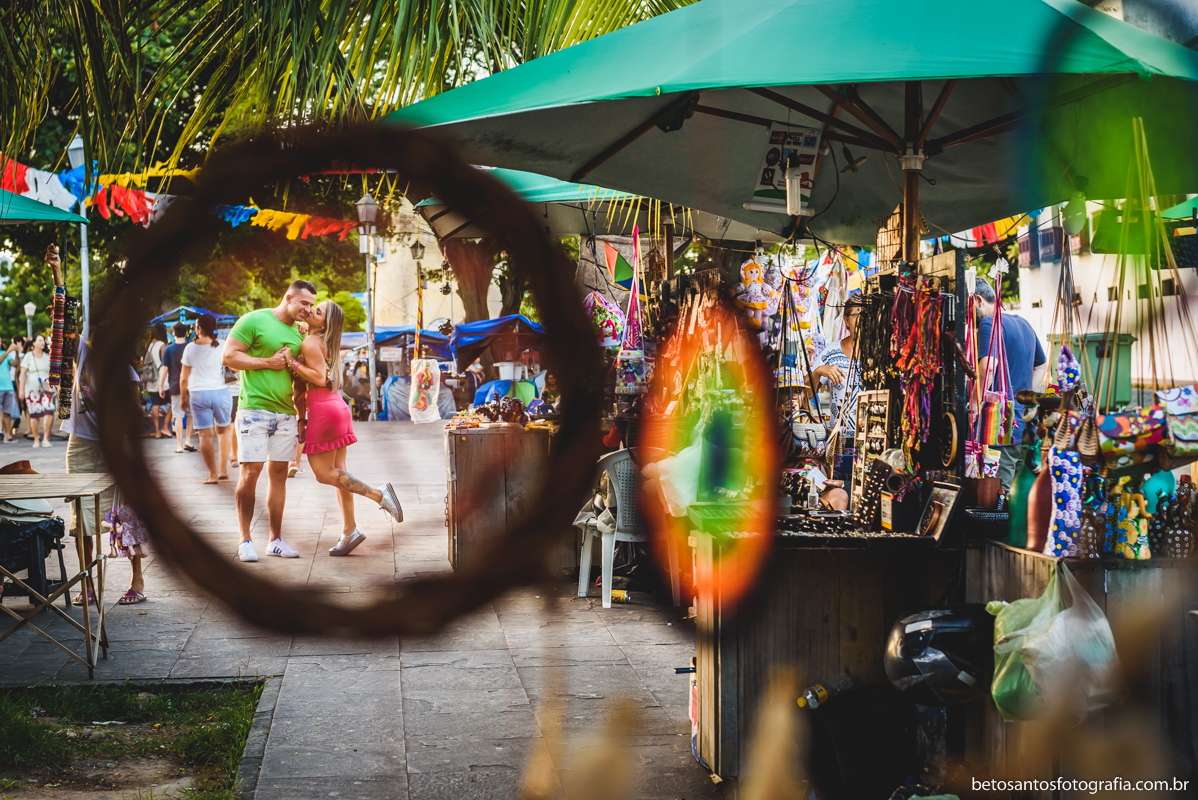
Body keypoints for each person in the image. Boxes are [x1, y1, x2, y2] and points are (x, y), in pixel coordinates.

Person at [287, 299, 403, 555]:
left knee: (322, 473)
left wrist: (291, 361)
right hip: (335, 406)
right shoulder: (327, 342)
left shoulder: (309, 342)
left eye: (317, 312)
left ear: (325, 323)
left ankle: (379, 495)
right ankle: (350, 531)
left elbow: (318, 377)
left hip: (322, 409)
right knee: (339, 472)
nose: (311, 311)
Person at [222, 280, 316, 562]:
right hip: (254, 410)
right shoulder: (254, 320)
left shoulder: (301, 335)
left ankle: (275, 540)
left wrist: (301, 418)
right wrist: (267, 363)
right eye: (304, 303)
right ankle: (245, 540)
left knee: (279, 477)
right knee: (250, 474)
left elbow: (301, 381)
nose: (308, 310)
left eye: (311, 305)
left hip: (286, 413)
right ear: (288, 297)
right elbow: (229, 357)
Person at [974, 277, 1048, 489]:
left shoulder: (989, 323)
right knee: (1021, 496)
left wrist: (974, 404)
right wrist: (1021, 397)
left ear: (979, 301)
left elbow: (988, 367)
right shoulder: (1024, 324)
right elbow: (1041, 366)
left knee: (999, 494)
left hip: (999, 428)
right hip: (1024, 426)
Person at [181, 314, 234, 485]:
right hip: (221, 393)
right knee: (224, 430)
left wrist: (183, 397)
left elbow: (183, 378)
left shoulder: (190, 348)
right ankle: (223, 470)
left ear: (199, 328)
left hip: (198, 394)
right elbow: (233, 367)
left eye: (196, 326)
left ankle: (212, 474)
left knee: (205, 434)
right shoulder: (223, 345)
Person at [159, 322, 196, 453]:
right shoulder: (191, 347)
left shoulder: (169, 349)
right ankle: (188, 441)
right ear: (186, 333)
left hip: (175, 386)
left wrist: (160, 386)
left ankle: (179, 445)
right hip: (191, 386)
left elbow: (164, 369)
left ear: (173, 334)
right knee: (191, 414)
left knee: (178, 416)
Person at [19, 333, 55, 448]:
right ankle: (36, 439)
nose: (42, 342)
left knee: (49, 411)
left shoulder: (47, 356)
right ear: (33, 343)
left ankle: (45, 438)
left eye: (43, 340)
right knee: (34, 415)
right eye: (39, 340)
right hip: (31, 390)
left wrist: (56, 387)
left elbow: (53, 374)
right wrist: (21, 390)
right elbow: (23, 374)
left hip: (45, 389)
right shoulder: (28, 356)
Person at [144, 322, 170, 438]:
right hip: (162, 381)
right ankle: (165, 426)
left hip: (151, 380)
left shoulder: (148, 346)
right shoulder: (162, 345)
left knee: (155, 404)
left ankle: (157, 432)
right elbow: (166, 363)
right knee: (175, 402)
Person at [0, 336, 23, 443]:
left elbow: (15, 364)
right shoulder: (5, 353)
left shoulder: (5, 353)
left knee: (7, 413)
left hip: (8, 387)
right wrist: (8, 350)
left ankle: (7, 436)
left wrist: (17, 353)